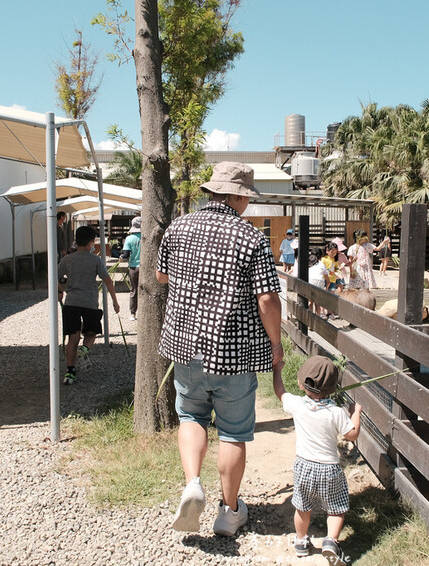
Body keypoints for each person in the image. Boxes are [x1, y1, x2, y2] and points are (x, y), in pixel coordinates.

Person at [156, 161, 282, 537]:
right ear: (238, 195)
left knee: (191, 416)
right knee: (233, 432)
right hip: (233, 351)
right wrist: (276, 344)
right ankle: (229, 512)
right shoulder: (250, 237)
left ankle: (193, 484)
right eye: (247, 198)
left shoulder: (178, 227)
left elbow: (162, 275)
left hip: (185, 346)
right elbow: (267, 299)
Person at [271, 356, 361, 566]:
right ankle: (331, 541)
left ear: (301, 384)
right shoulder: (336, 413)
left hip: (303, 467)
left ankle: (301, 542)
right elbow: (353, 434)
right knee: (337, 508)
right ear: (332, 388)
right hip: (329, 469)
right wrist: (355, 412)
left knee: (302, 507)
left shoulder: (297, 405)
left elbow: (280, 392)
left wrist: (277, 371)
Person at [57, 225, 120, 385]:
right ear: (92, 243)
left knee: (73, 336)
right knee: (91, 333)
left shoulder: (67, 260)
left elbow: (53, 278)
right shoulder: (95, 259)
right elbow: (108, 280)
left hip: (71, 302)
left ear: (76, 241)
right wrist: (114, 301)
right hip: (90, 302)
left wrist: (60, 291)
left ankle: (70, 372)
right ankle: (84, 349)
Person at [120, 216, 142, 321]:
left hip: (133, 268)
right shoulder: (145, 237)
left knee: (133, 290)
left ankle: (133, 313)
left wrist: (121, 258)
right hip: (145, 268)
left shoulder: (129, 239)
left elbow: (125, 255)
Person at [307, 247, 330, 319]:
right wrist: (326, 287)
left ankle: (310, 319)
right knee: (317, 304)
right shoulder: (322, 264)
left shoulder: (309, 263)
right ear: (321, 256)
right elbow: (328, 280)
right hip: (319, 282)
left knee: (310, 302)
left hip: (310, 281)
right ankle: (317, 320)